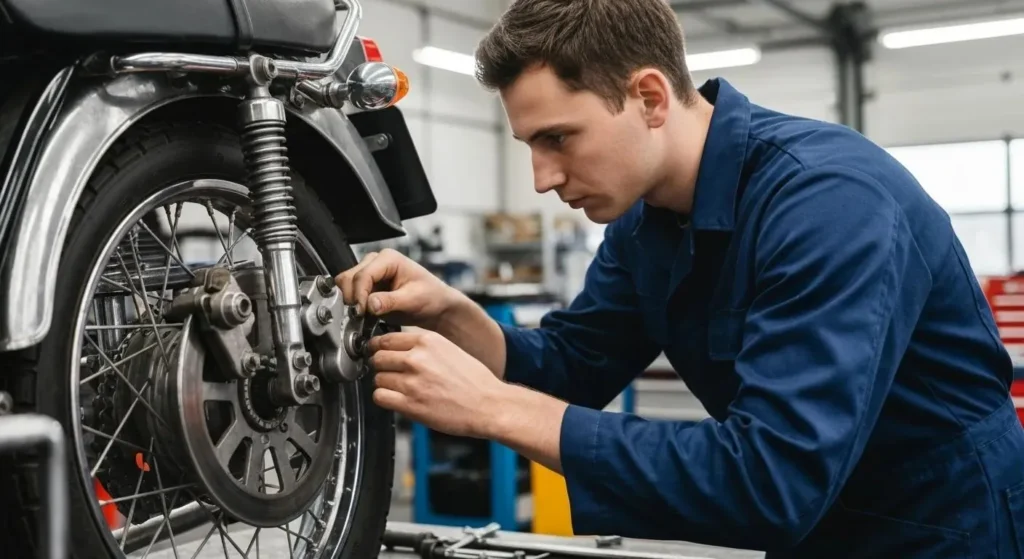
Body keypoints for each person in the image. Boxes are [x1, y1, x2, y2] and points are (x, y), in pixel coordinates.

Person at [336, 0, 1024, 556]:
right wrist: (452, 313)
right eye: (529, 145)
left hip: (947, 526)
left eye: (558, 138)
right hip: (824, 526)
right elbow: (573, 365)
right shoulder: (647, 223)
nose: (541, 179)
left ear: (650, 97)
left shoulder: (829, 203)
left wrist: (494, 408)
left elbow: (773, 478)